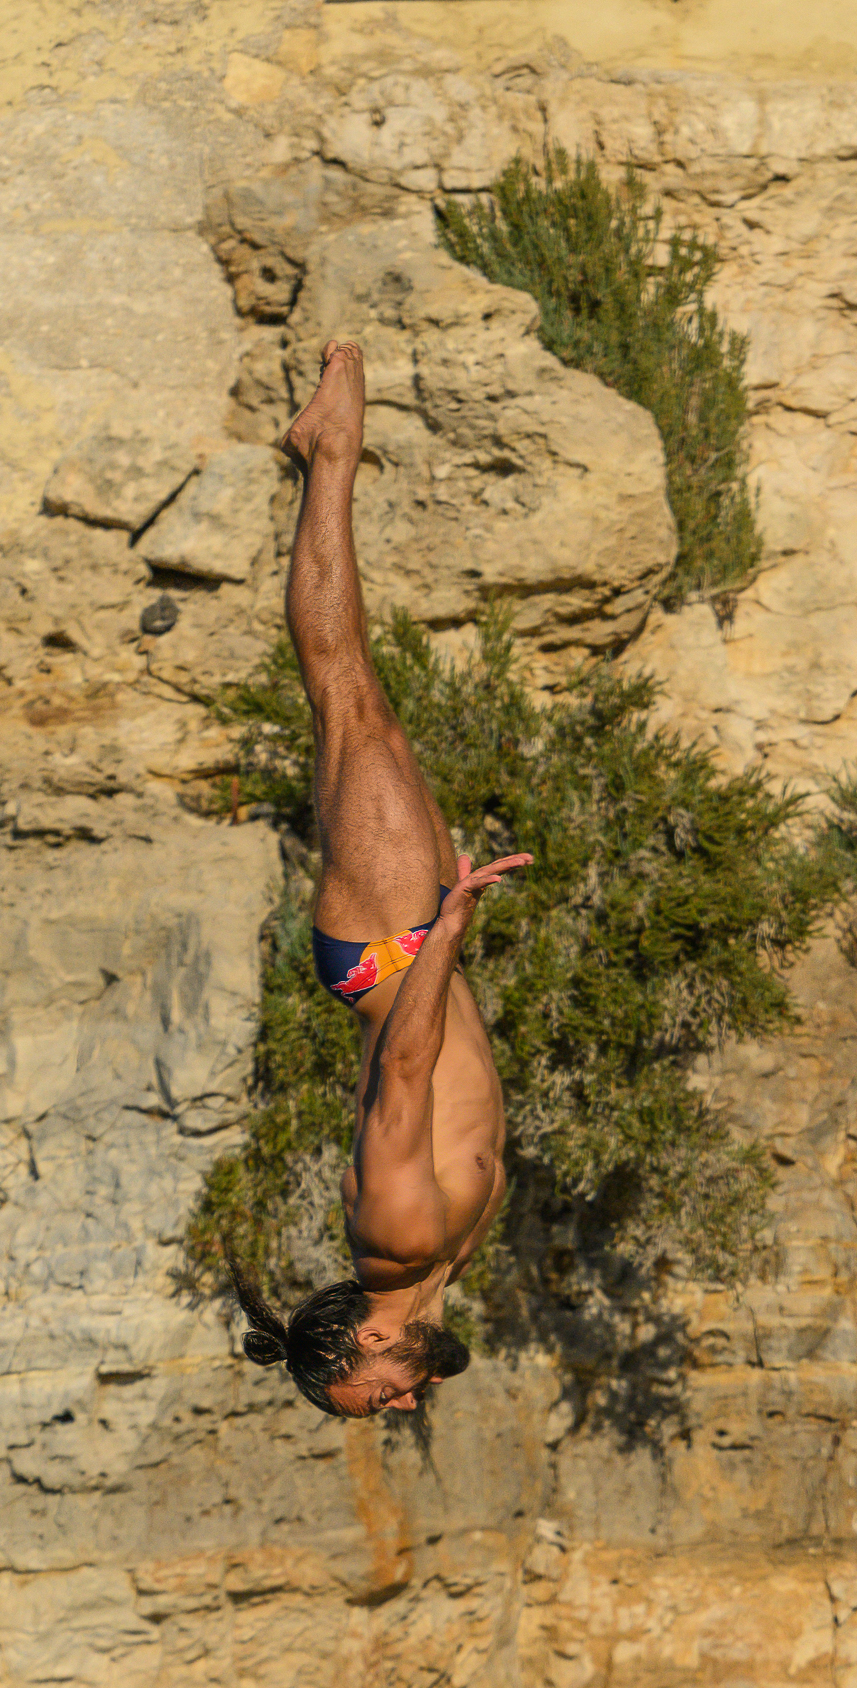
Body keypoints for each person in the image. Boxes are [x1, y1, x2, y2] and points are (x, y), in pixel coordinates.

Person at [227, 339, 531, 1420]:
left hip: (394, 953)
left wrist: (445, 927)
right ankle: (326, 456)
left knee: (346, 691)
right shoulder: (437, 1266)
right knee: (345, 701)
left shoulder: (398, 1238)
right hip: (397, 954)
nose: (403, 1403)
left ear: (360, 1343)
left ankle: (329, 455)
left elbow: (407, 1070)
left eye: (375, 1394)